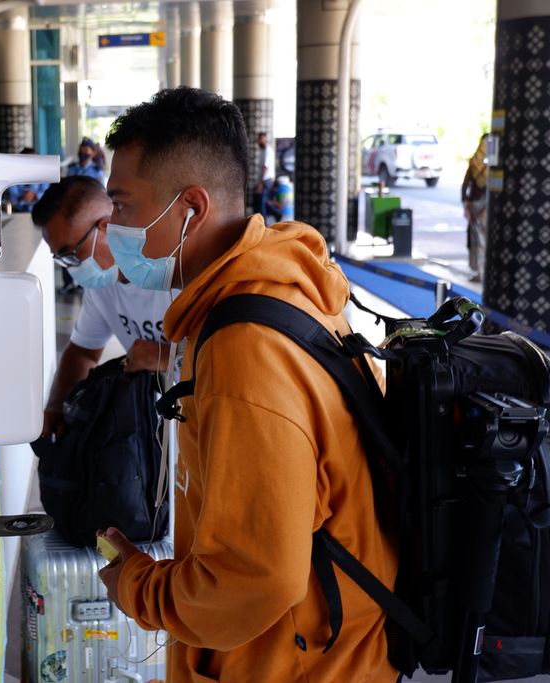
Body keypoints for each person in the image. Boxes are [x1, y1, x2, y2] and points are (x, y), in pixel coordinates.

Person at [96, 88, 398, 682]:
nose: (113, 229)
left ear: (190, 209)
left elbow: (255, 575)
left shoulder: (246, 350)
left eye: (123, 206)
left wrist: (137, 583)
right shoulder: (279, 291)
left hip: (297, 667)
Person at [30, 176, 175, 438]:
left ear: (106, 227)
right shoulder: (103, 289)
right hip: (161, 438)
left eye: (71, 254)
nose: (73, 268)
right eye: (62, 261)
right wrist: (56, 409)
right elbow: (82, 353)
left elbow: (234, 356)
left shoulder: (176, 272)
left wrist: (170, 357)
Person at [461, 134, 488, 282]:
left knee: (480, 240)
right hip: (477, 207)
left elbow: (465, 187)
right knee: (477, 240)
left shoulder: (486, 163)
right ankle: (478, 271)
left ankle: (480, 271)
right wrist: (466, 207)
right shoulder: (488, 163)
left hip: (481, 206)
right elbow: (465, 185)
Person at [6, 147, 49, 213]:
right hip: (19, 212)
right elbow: (12, 198)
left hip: (39, 211)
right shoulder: (13, 176)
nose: (32, 164)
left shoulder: (43, 175)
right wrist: (23, 197)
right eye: (29, 161)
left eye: (35, 161)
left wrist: (35, 195)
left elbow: (46, 195)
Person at [253, 131, 275, 215]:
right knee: (264, 201)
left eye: (260, 139)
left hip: (266, 180)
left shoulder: (268, 151)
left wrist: (261, 183)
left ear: (265, 139)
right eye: (258, 139)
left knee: (261, 202)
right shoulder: (263, 151)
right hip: (264, 179)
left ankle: (264, 224)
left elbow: (265, 167)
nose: (258, 141)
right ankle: (277, 214)